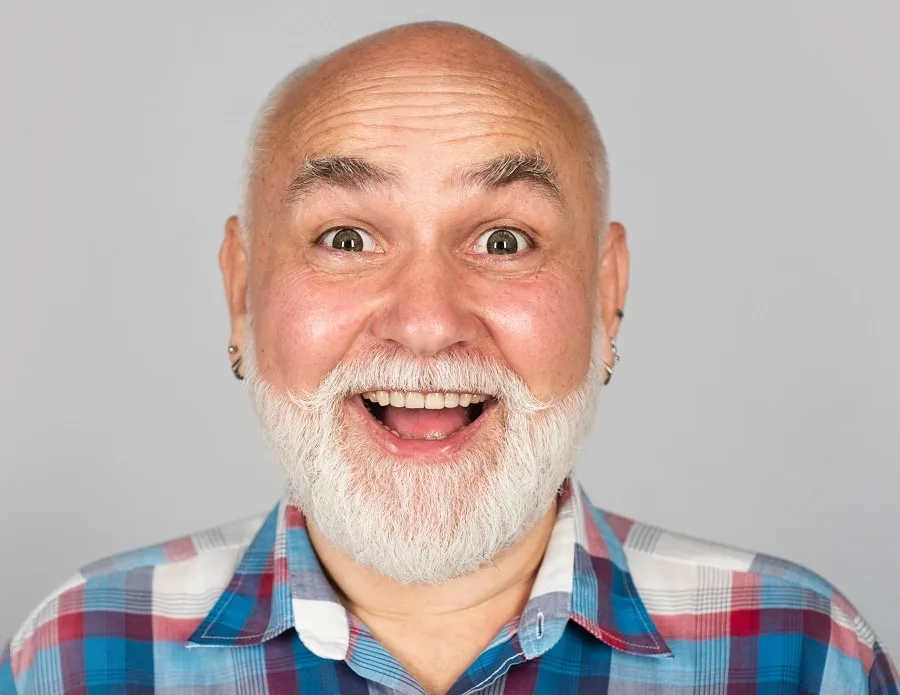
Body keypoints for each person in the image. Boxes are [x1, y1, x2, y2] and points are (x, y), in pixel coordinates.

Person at [2, 20, 897, 695]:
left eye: (504, 239)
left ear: (605, 293)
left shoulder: (801, 652)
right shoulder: (79, 653)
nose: (426, 323)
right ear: (241, 292)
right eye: (347, 237)